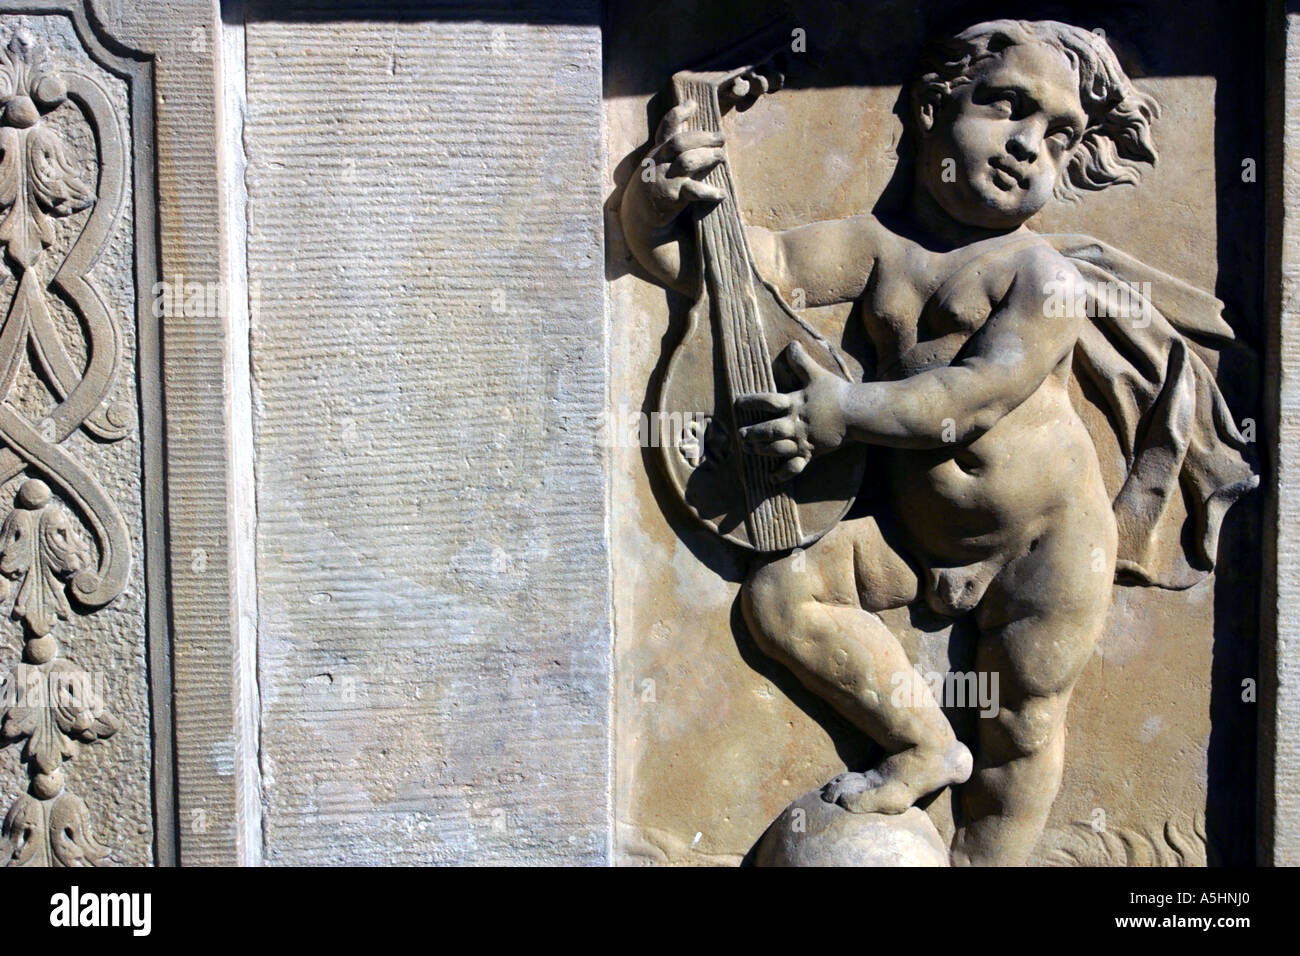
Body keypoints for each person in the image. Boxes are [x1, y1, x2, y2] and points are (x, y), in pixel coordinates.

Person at [618, 19, 1256, 865]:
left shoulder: (1042, 277)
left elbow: (974, 395)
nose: (1032, 148)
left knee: (1022, 728)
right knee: (781, 598)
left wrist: (840, 411)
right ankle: (922, 744)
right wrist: (659, 203)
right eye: (1008, 107)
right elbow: (743, 269)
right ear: (928, 108)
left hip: (1045, 547)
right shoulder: (877, 249)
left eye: (1060, 137)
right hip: (914, 536)